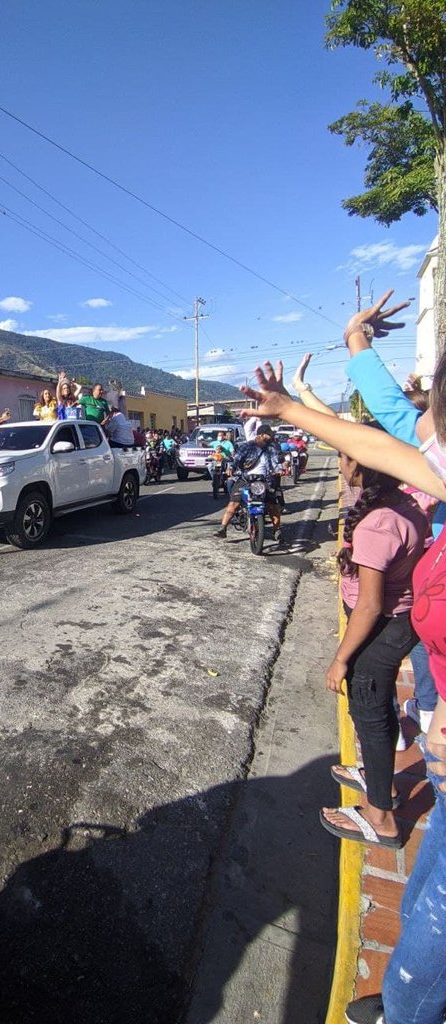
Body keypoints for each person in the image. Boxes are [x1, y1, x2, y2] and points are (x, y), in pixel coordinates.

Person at [239, 292, 446, 1024]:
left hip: (404, 657)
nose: (352, 464)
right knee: (433, 878)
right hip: (437, 710)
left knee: (439, 909)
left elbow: (391, 435)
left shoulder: (393, 517)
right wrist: (302, 398)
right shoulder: (424, 488)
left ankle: (408, 1010)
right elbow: (390, 430)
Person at [321, 453, 425, 848]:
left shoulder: (376, 524)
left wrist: (341, 658)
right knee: (377, 711)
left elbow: (369, 605)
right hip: (397, 622)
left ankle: (380, 816)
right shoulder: (405, 502)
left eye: (346, 457)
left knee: (370, 712)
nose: (341, 463)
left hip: (381, 628)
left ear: (360, 468)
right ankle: (375, 775)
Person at [214, 423, 282, 540]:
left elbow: (276, 464)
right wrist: (231, 468)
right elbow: (236, 459)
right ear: (261, 435)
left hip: (264, 480)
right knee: (233, 504)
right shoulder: (247, 446)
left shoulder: (271, 448)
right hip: (245, 479)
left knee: (273, 505)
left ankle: (277, 530)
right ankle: (223, 528)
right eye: (269, 434)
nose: (271, 437)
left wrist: (279, 470)